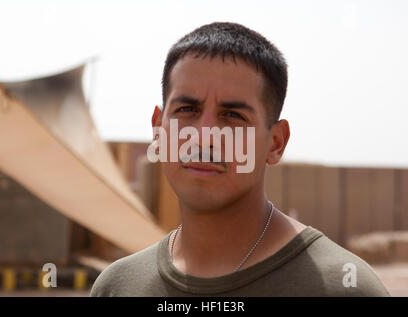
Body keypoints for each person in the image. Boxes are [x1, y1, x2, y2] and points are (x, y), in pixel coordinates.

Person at [90, 22, 390, 296]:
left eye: (232, 116)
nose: (204, 135)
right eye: (187, 110)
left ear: (275, 143)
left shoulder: (343, 288)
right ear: (158, 128)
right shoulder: (117, 287)